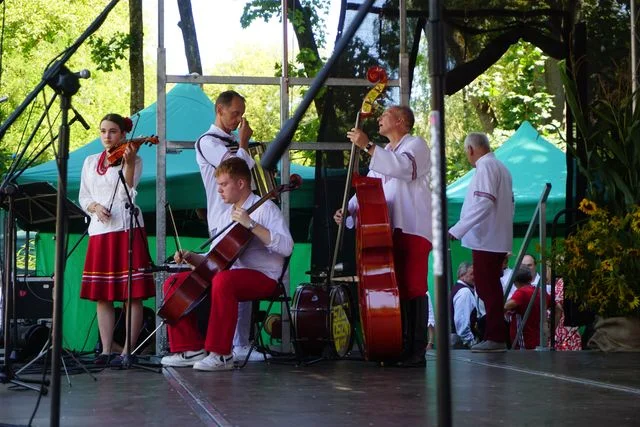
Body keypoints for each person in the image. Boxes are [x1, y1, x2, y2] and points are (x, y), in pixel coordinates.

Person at [161, 157, 293, 371]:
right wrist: (191, 256)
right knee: (174, 282)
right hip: (232, 276)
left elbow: (287, 247)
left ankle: (221, 354)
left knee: (224, 280)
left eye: (224, 185)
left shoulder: (265, 208)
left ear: (241, 184)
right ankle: (190, 348)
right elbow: (216, 259)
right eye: (218, 185)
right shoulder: (226, 216)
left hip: (267, 277)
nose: (219, 191)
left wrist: (251, 225)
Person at [162, 90, 258, 366]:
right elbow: (235, 169)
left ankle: (241, 343)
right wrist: (243, 143)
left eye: (241, 113)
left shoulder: (230, 141)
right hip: (222, 219)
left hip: (241, 214)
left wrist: (243, 145)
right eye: (234, 113)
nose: (239, 118)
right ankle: (227, 344)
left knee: (241, 276)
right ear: (219, 110)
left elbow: (248, 170)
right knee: (225, 279)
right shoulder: (207, 141)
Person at [333, 105, 432, 366]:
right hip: (388, 229)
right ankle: (399, 345)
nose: (379, 119)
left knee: (413, 287)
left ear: (400, 121)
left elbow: (405, 169)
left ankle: (416, 350)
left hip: (412, 227)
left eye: (385, 115)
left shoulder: (416, 145)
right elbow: (369, 187)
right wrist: (349, 209)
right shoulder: (386, 152)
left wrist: (368, 147)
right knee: (395, 288)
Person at [79, 113, 155, 367]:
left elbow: (129, 192)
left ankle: (128, 352)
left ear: (123, 134)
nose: (107, 136)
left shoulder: (134, 158)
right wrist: (95, 207)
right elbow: (83, 196)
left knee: (131, 295)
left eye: (112, 131)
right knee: (103, 295)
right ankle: (105, 350)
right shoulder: (90, 161)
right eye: (103, 131)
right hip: (100, 231)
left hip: (126, 228)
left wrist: (129, 162)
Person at [449, 132, 514, 353]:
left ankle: (495, 337)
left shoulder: (486, 167)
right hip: (495, 236)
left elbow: (484, 202)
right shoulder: (501, 168)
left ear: (470, 150)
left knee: (488, 288)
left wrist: (458, 230)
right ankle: (494, 335)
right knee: (490, 287)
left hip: (486, 238)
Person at [504, 268, 561, 350]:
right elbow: (559, 309)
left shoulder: (521, 293)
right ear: (530, 279)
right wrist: (552, 329)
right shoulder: (540, 292)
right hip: (538, 341)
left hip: (523, 341)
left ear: (515, 282)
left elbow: (506, 306)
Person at [450, 262, 484, 349]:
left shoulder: (458, 289)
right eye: (472, 274)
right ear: (462, 275)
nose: (475, 277)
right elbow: (461, 322)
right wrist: (472, 343)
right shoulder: (464, 292)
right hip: (462, 345)